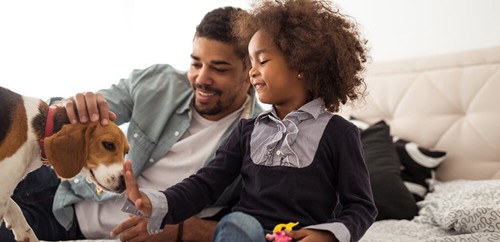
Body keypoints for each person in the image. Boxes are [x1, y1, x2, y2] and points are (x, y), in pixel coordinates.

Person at [112, 0, 377, 241]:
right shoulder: (247, 131)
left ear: (301, 65)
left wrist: (327, 236)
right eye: (250, 61)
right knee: (238, 225)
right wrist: (156, 203)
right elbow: (205, 184)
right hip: (244, 233)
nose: (251, 71)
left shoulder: (340, 133)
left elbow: (361, 207)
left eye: (262, 61)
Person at [0, 6, 263, 242]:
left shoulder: (261, 137)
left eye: (219, 69)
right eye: (196, 63)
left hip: (61, 224)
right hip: (54, 182)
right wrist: (74, 105)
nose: (201, 78)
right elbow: (70, 118)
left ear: (250, 71)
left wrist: (187, 230)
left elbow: (258, 223)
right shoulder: (158, 81)